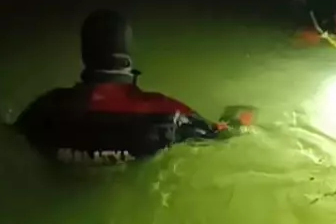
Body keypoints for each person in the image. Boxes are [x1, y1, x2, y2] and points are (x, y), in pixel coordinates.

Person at [14, 9, 250, 165]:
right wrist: (242, 119)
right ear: (128, 54)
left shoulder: (46, 109)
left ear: (85, 55)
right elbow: (222, 134)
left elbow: (10, 137)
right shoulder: (167, 112)